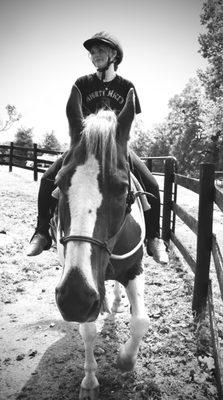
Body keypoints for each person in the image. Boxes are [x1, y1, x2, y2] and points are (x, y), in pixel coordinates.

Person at [27, 31, 168, 264]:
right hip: (85, 146)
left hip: (116, 147)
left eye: (100, 50)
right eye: (92, 52)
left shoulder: (127, 86)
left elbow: (130, 120)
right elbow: (76, 118)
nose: (95, 55)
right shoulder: (82, 84)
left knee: (151, 184)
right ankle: (42, 232)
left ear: (114, 54)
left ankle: (154, 238)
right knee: (47, 180)